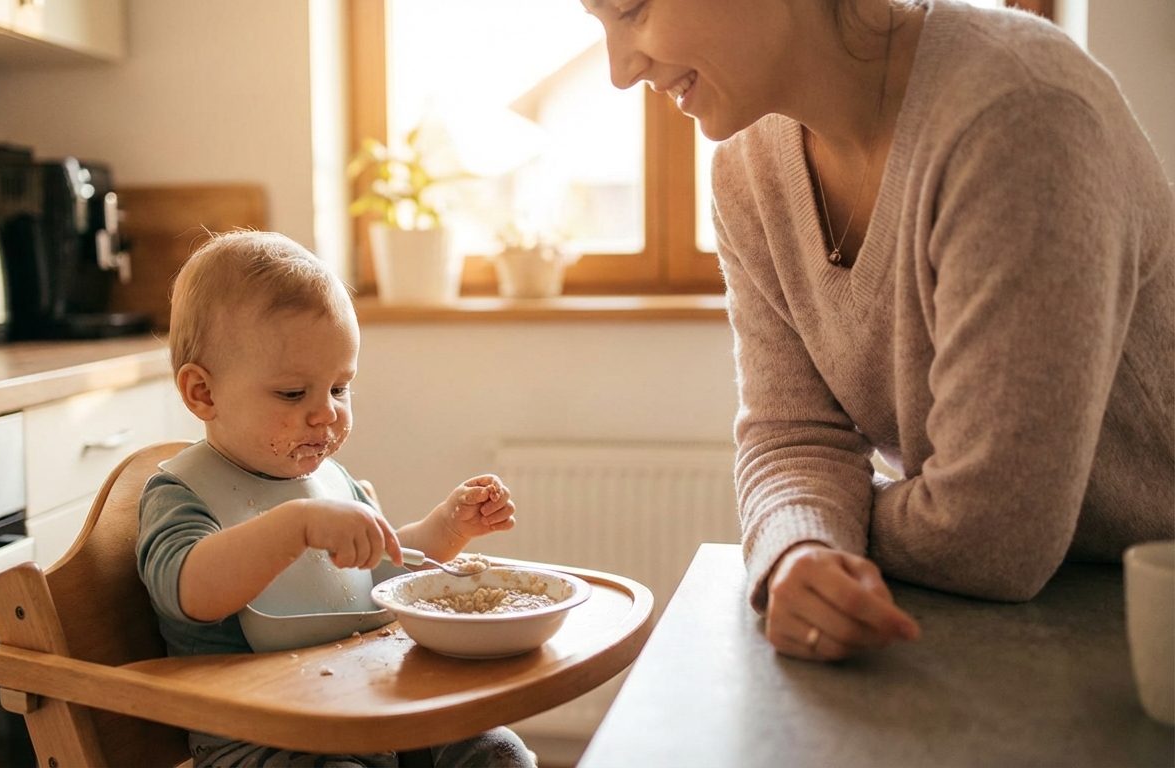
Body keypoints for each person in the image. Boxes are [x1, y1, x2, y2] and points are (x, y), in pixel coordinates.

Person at [580, 0, 1175, 661]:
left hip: (1146, 611)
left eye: (630, 9)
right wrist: (801, 549)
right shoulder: (747, 170)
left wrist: (817, 517)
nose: (618, 70)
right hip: (1023, 621)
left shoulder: (1019, 111)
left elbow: (994, 533)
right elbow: (790, 434)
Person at [136, 230, 535, 767]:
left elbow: (379, 566)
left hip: (366, 706)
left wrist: (447, 527)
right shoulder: (180, 493)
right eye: (293, 393)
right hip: (262, 738)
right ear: (203, 393)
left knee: (493, 749)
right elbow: (190, 589)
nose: (326, 413)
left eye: (340, 388)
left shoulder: (330, 480)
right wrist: (295, 526)